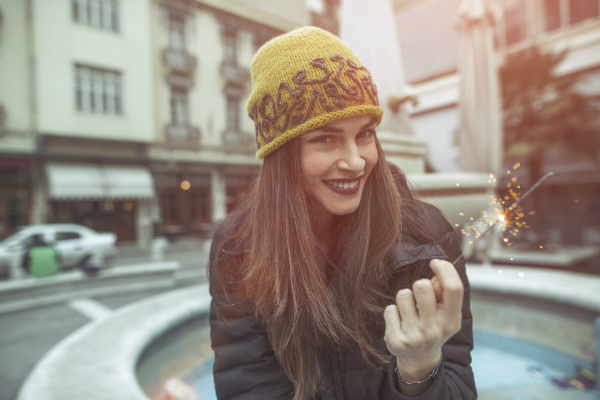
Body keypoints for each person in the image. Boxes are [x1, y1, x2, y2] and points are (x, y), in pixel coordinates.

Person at [209, 26, 477, 400]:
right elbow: (249, 388)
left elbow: (460, 387)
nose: (355, 162)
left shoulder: (429, 236)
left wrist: (420, 368)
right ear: (281, 157)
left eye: (365, 134)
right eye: (325, 139)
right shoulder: (240, 247)